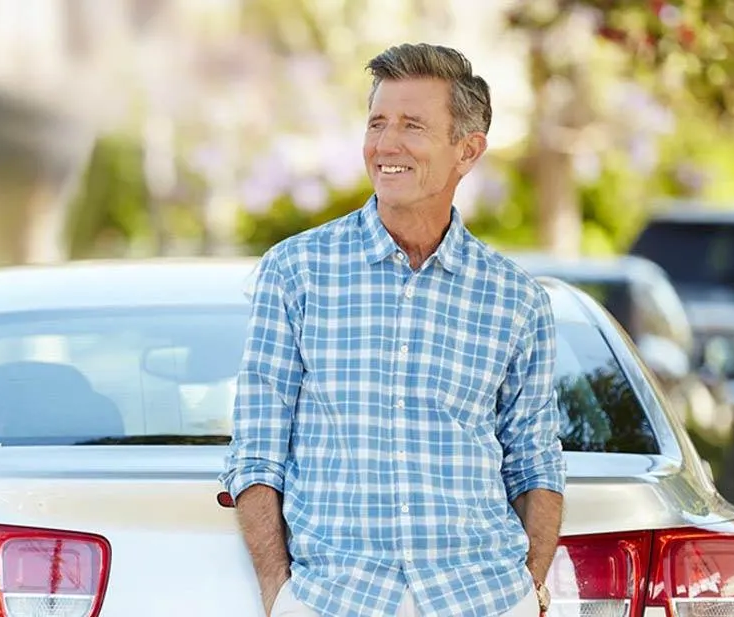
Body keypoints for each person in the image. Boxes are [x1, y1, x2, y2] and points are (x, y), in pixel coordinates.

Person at [221, 43, 565, 617]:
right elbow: (256, 450)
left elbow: (535, 460)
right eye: (377, 122)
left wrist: (528, 589)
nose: (386, 144)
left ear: (467, 150)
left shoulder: (517, 300)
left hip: (483, 597)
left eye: (412, 125)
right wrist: (279, 594)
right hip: (334, 598)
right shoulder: (296, 273)